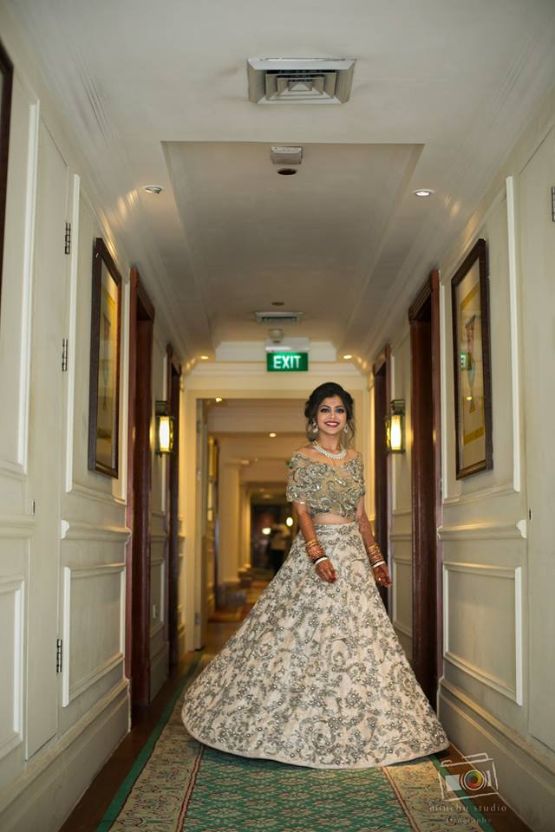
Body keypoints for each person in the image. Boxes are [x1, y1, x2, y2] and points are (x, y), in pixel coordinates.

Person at [181, 382, 450, 769]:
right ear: (313, 417)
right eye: (325, 410)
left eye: (339, 410)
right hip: (317, 552)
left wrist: (376, 559)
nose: (332, 416)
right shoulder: (302, 458)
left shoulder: (356, 459)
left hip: (353, 558)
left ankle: (362, 722)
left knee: (361, 638)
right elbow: (302, 512)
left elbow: (361, 516)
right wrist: (316, 553)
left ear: (347, 417)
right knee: (303, 633)